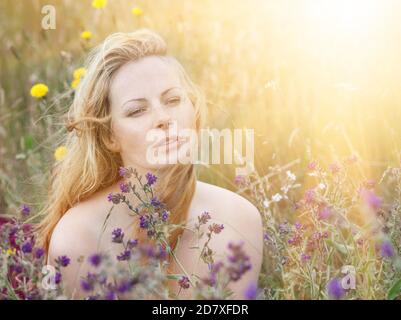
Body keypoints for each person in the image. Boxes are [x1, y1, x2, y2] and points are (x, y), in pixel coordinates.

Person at [36, 29, 263, 299]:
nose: (163, 118)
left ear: (193, 108)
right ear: (110, 136)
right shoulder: (78, 238)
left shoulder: (239, 219)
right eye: (136, 110)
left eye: (173, 100)